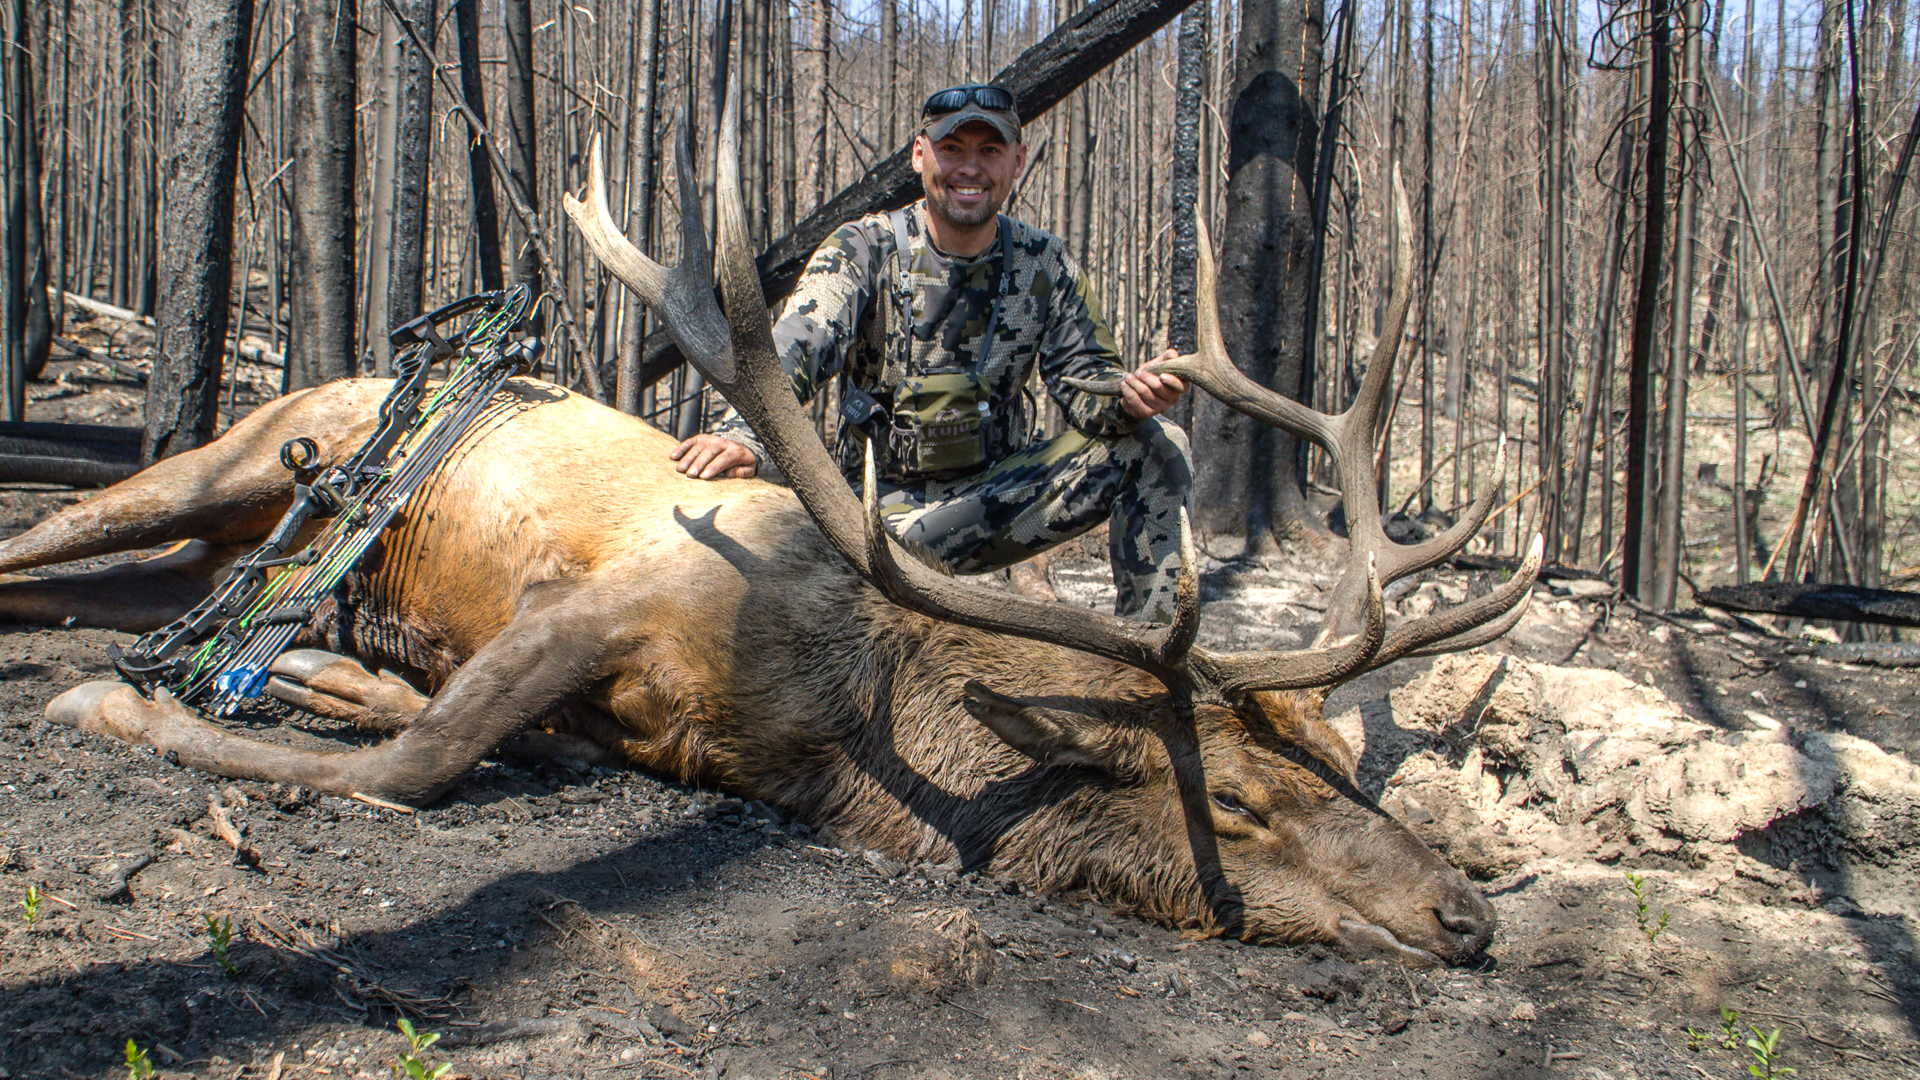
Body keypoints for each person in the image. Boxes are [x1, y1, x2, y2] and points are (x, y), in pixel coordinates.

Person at [670, 82, 1193, 622]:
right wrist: (742, 433)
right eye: (952, 149)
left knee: (1158, 446)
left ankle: (1152, 664)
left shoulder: (1044, 263)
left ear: (1017, 159)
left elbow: (1087, 384)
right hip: (871, 516)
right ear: (920, 154)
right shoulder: (865, 247)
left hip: (997, 502)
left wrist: (1128, 396)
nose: (970, 168)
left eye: (989, 151)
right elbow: (796, 348)